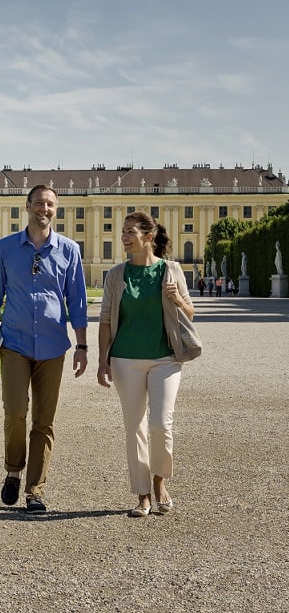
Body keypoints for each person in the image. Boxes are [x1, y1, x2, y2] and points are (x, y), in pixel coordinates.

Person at [0, 184, 89, 514]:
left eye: (50, 204)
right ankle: (13, 471)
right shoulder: (6, 248)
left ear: (55, 210)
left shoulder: (69, 250)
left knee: (44, 421)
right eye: (39, 203)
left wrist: (83, 345)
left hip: (53, 346)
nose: (44, 208)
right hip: (14, 343)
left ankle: (35, 491)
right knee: (15, 411)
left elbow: (78, 302)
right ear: (27, 207)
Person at [97, 211, 194, 518]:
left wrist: (177, 299)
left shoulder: (172, 270)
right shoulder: (116, 274)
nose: (124, 237)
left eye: (130, 232)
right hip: (126, 359)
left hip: (165, 358)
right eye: (123, 232)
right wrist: (103, 360)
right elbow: (105, 320)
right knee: (134, 427)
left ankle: (160, 482)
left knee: (161, 425)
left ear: (148, 237)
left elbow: (190, 313)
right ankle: (142, 495)